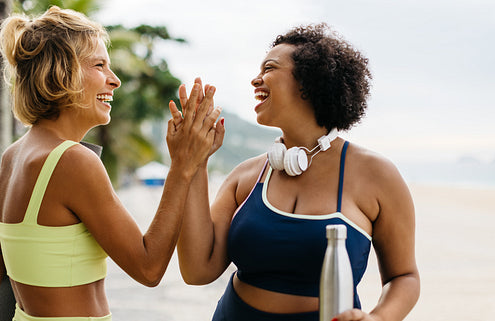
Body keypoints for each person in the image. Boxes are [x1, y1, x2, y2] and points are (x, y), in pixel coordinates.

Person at [173, 23, 420, 321]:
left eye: (269, 68)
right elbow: (198, 270)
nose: (256, 79)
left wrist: (378, 318)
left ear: (310, 81)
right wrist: (195, 163)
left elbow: (404, 276)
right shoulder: (245, 176)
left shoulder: (377, 175)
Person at [0, 6, 223, 321]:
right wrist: (182, 165)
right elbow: (149, 268)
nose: (114, 80)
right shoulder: (72, 160)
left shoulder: (12, 157)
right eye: (100, 65)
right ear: (62, 72)